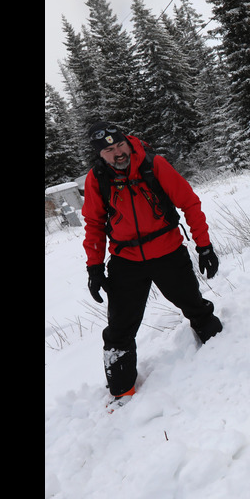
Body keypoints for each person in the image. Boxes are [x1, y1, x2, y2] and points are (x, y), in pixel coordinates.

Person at [81, 121, 223, 406]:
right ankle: (122, 392)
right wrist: (94, 267)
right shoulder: (97, 179)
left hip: (168, 250)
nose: (118, 153)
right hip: (126, 260)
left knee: (194, 305)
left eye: (120, 145)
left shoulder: (153, 165)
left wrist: (204, 245)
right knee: (119, 328)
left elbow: (189, 202)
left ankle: (222, 349)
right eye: (109, 150)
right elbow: (94, 224)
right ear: (100, 155)